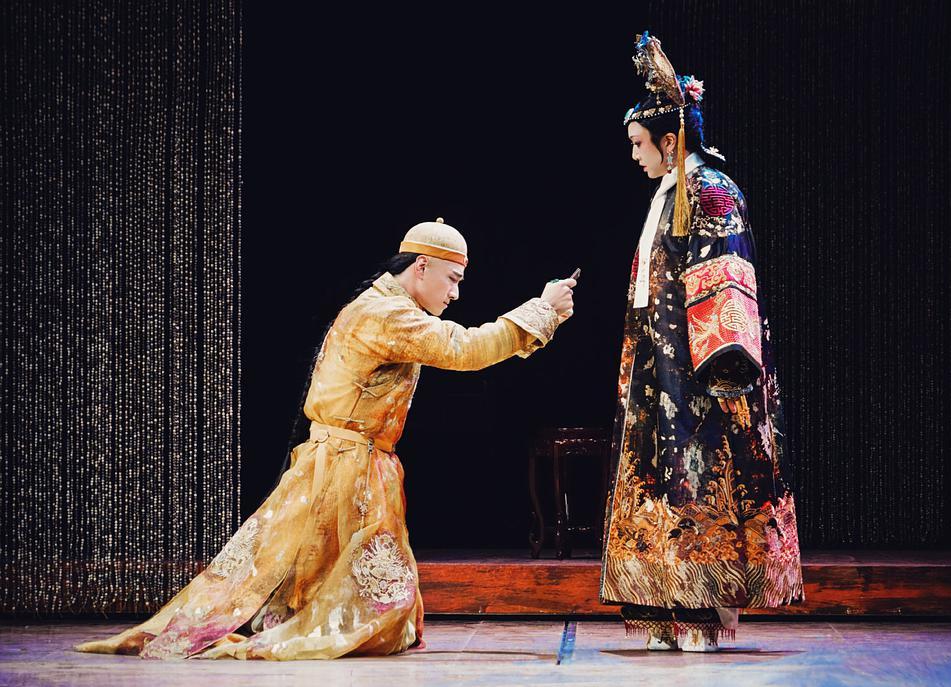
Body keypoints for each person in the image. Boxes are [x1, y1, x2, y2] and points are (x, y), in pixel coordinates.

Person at [75, 218, 575, 659]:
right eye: (453, 279)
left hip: (351, 459)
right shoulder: (385, 314)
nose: (455, 294)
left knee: (334, 591)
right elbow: (463, 348)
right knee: (367, 611)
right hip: (345, 465)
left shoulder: (385, 306)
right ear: (421, 266)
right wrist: (542, 310)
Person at [599, 32, 803, 652]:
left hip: (700, 372)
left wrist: (722, 370)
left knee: (699, 479)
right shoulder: (667, 197)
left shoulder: (711, 191)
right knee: (656, 478)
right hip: (657, 366)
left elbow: (728, 279)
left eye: (640, 144)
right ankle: (660, 606)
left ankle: (700, 612)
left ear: (670, 141)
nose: (634, 155)